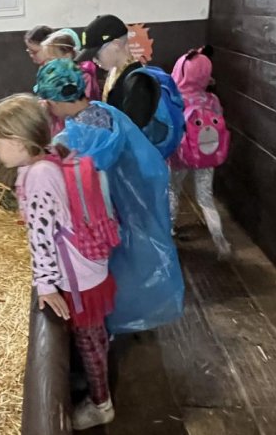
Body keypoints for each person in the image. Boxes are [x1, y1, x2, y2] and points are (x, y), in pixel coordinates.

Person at [0, 93, 117, 430]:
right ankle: (92, 374)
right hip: (86, 263)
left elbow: (41, 236)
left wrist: (45, 284)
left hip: (78, 275)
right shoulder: (49, 156)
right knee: (92, 334)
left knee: (88, 338)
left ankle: (101, 404)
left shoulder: (39, 175)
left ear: (18, 141)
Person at [34, 59, 184, 334]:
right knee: (129, 265)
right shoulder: (105, 111)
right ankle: (120, 316)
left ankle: (108, 324)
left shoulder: (73, 138)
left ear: (54, 100)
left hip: (102, 218)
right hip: (127, 208)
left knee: (113, 269)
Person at [169, 49, 232, 258]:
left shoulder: (176, 98)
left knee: (173, 191)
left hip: (180, 155)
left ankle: (169, 233)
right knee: (205, 198)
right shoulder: (212, 99)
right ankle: (220, 240)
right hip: (206, 154)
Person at [75, 14, 159, 130]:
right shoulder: (114, 75)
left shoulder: (139, 82)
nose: (94, 60)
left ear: (116, 44)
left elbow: (134, 132)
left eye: (96, 54)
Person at [38, 28, 101, 100]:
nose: (47, 64)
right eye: (46, 60)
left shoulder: (83, 76)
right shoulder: (53, 76)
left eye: (51, 60)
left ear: (67, 56)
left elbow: (81, 102)